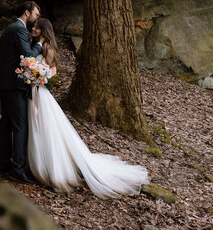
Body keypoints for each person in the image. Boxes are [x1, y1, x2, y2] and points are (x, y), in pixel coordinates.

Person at [27, 18, 148, 198]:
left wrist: (38, 78)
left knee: (45, 129)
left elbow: (50, 72)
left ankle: (52, 169)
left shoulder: (48, 49)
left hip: (40, 93)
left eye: (37, 27)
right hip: (33, 92)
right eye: (34, 26)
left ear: (44, 31)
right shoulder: (34, 45)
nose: (34, 28)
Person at [0, 1, 44, 184]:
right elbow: (28, 56)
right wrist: (39, 44)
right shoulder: (19, 29)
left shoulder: (10, 28)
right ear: (26, 12)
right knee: (20, 125)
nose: (36, 18)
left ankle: (4, 162)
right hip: (14, 85)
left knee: (6, 122)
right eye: (36, 15)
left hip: (4, 83)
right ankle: (18, 168)